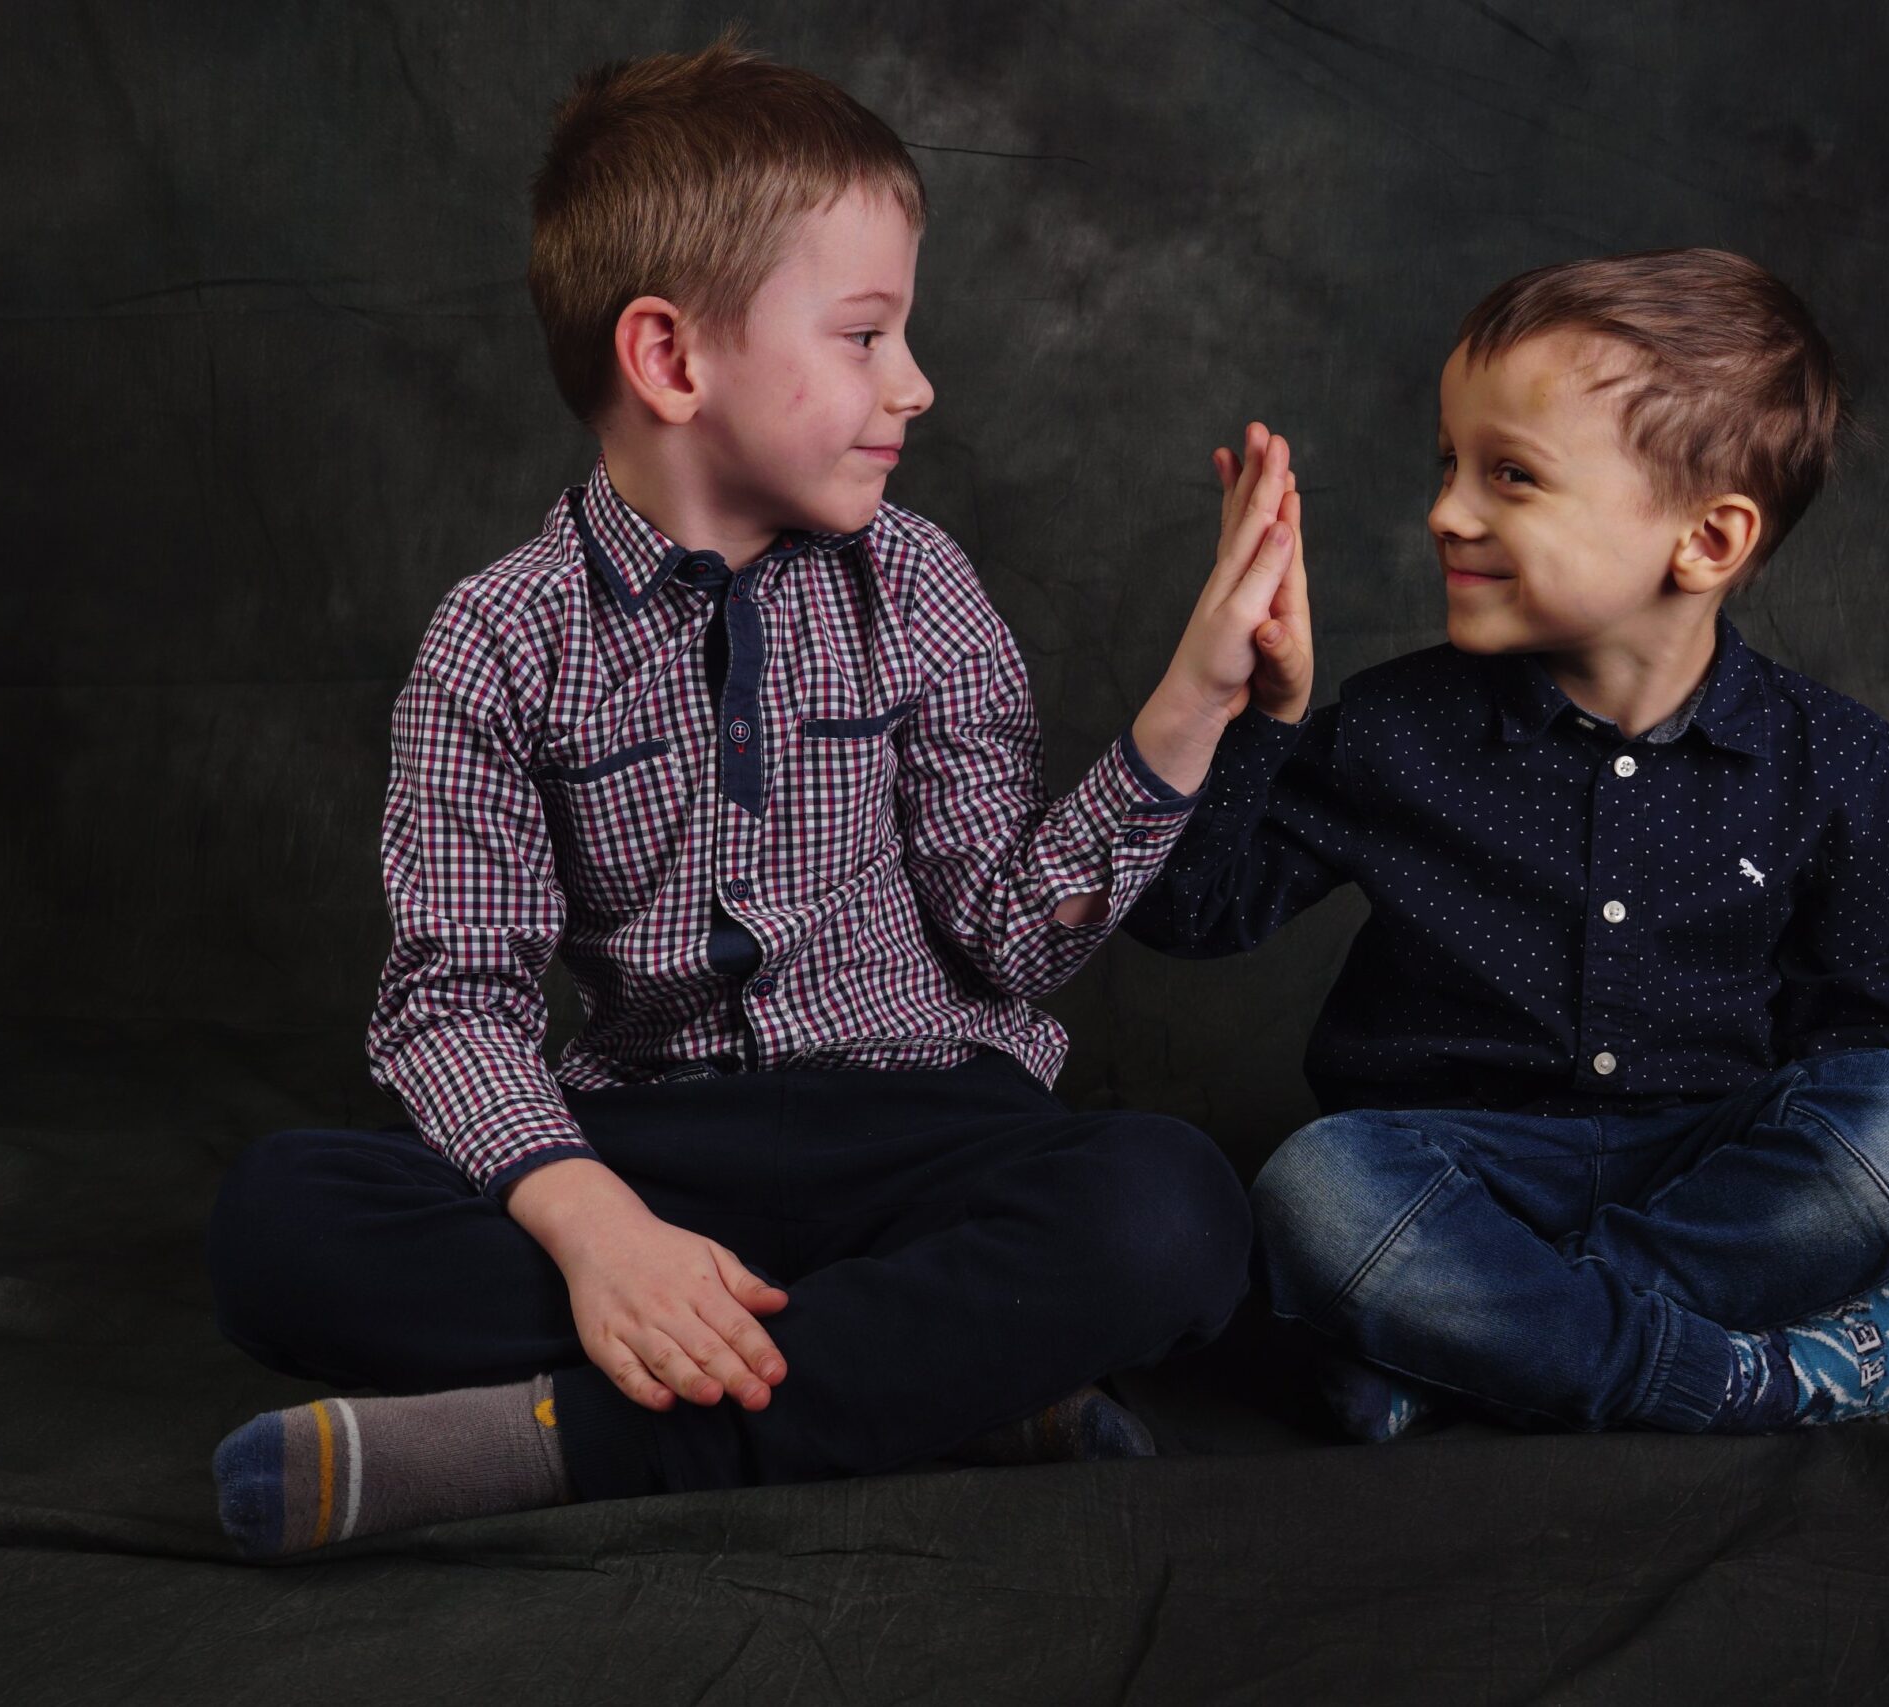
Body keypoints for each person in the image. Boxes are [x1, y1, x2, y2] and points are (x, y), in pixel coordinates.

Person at [202, 37, 1308, 1557]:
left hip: (922, 1133)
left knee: (1173, 1209)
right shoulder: (498, 640)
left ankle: (552, 1446)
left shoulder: (918, 587)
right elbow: (452, 1007)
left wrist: (1194, 703)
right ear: (670, 360)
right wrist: (600, 1230)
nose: (914, 383)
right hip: (650, 1149)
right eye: (864, 335)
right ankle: (945, 1385)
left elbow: (1011, 938)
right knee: (279, 1224)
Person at [1127, 249, 1889, 1442]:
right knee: (1314, 1191)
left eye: (1510, 475)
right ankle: (1739, 1376)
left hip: (1710, 1174)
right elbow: (1186, 913)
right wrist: (1258, 715)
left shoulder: (1834, 758)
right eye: (1449, 464)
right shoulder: (1396, 727)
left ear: (1706, 541)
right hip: (1456, 1174)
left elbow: (1871, 1030)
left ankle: (1469, 1350)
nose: (1447, 511)